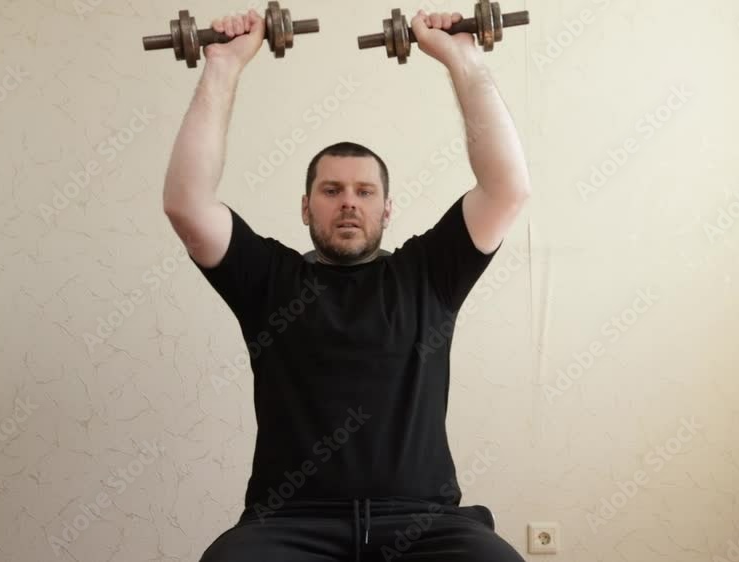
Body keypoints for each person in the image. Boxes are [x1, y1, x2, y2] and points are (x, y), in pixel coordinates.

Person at [163, 7, 531, 562]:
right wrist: (222, 65)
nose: (349, 204)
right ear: (306, 207)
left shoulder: (427, 275)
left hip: (424, 523)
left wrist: (462, 59)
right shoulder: (270, 281)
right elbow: (187, 204)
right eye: (332, 191)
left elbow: (507, 189)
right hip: (291, 524)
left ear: (387, 210)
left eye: (364, 192)